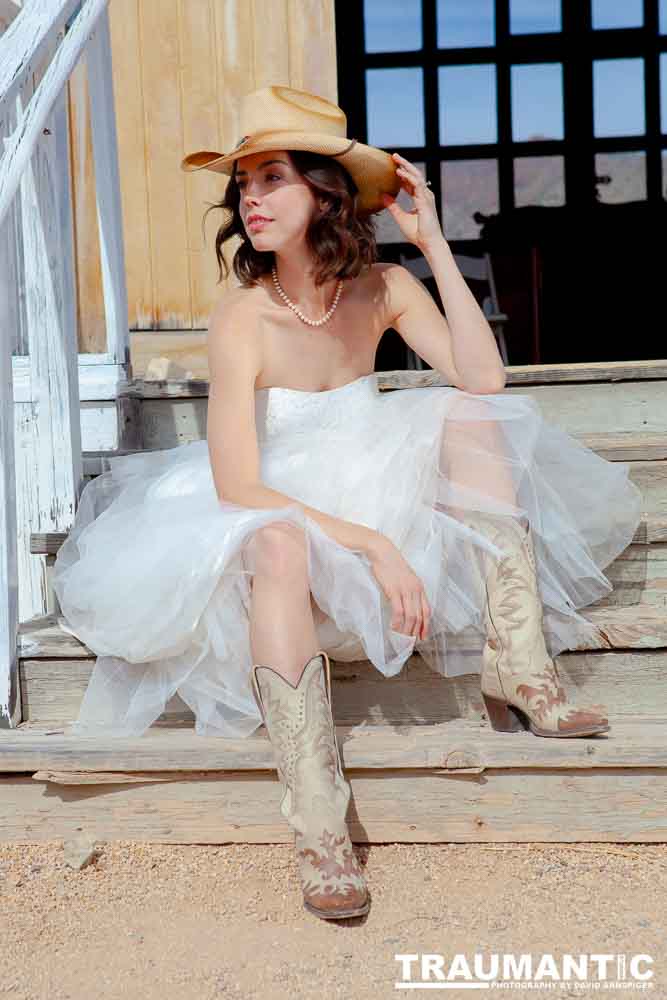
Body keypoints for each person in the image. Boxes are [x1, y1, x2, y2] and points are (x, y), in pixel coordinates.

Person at [53, 85, 644, 921]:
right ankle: (318, 822)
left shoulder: (383, 287)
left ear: (324, 193)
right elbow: (238, 487)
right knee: (275, 544)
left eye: (271, 179)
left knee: (470, 414)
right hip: (278, 503)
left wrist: (432, 241)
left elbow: (483, 376)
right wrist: (371, 542)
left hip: (376, 476)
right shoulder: (243, 318)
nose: (250, 199)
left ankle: (521, 664)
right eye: (243, 185)